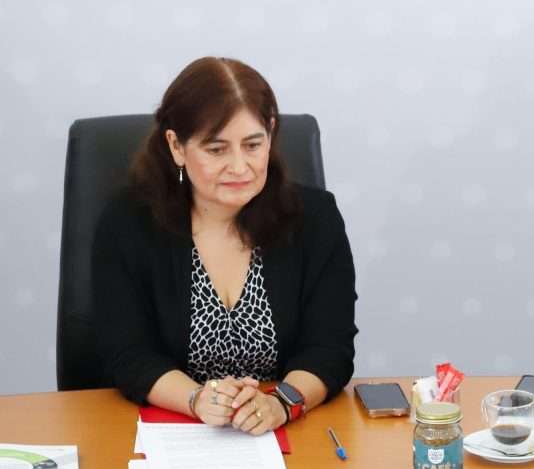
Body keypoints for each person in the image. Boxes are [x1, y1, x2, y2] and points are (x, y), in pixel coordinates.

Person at [93, 57, 357, 434]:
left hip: (281, 432)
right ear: (177, 146)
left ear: (271, 133)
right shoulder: (128, 223)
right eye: (217, 150)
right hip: (170, 430)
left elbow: (330, 348)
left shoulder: (315, 218)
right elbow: (127, 352)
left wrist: (281, 403)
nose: (239, 167)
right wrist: (197, 399)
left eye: (253, 145)